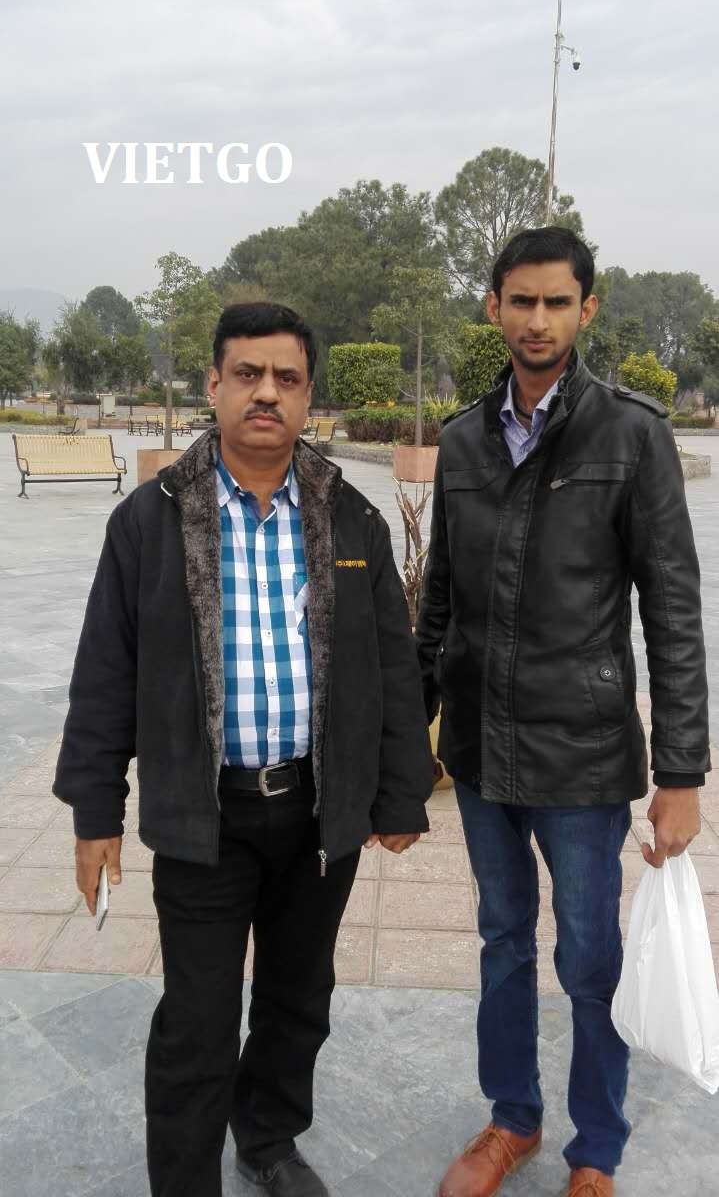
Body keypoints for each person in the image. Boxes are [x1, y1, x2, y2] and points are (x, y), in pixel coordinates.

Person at [54, 301, 435, 1197]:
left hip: (316, 812)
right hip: (205, 817)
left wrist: (398, 793)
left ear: (308, 397)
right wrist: (95, 812)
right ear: (214, 385)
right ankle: (185, 1179)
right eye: (248, 375)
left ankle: (267, 1140)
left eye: (286, 379)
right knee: (197, 1019)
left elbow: (391, 664)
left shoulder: (351, 520)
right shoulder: (149, 522)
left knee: (299, 999)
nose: (267, 393)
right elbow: (105, 671)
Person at [415, 228, 710, 1197]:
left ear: (585, 308)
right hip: (479, 750)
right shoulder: (463, 438)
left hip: (581, 753)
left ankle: (596, 1146)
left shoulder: (630, 434)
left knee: (588, 958)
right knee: (502, 941)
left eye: (554, 302)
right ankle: (512, 1119)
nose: (536, 320)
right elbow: (439, 601)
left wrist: (680, 773)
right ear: (493, 307)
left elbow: (671, 609)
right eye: (519, 300)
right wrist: (405, 739)